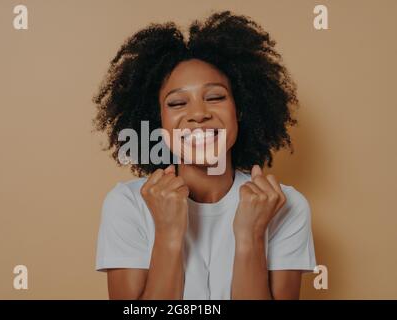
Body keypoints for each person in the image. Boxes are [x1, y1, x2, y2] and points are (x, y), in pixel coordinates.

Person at [93, 11, 316, 300]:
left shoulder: (285, 206)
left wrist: (251, 237)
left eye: (215, 97)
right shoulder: (127, 204)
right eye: (177, 103)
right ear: (157, 122)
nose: (199, 114)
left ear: (241, 110)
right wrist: (168, 234)